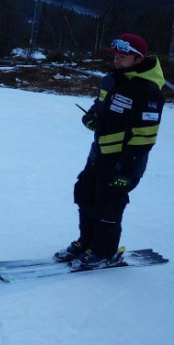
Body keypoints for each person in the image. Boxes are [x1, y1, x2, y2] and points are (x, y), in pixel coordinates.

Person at [54, 33, 165, 269]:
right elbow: (101, 105)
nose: (117, 59)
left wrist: (126, 170)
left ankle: (104, 252)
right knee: (85, 192)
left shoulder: (148, 92)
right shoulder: (110, 80)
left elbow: (145, 137)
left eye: (123, 56)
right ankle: (87, 243)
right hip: (99, 154)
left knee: (109, 204)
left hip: (125, 162)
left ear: (138, 58)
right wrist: (92, 116)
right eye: (115, 54)